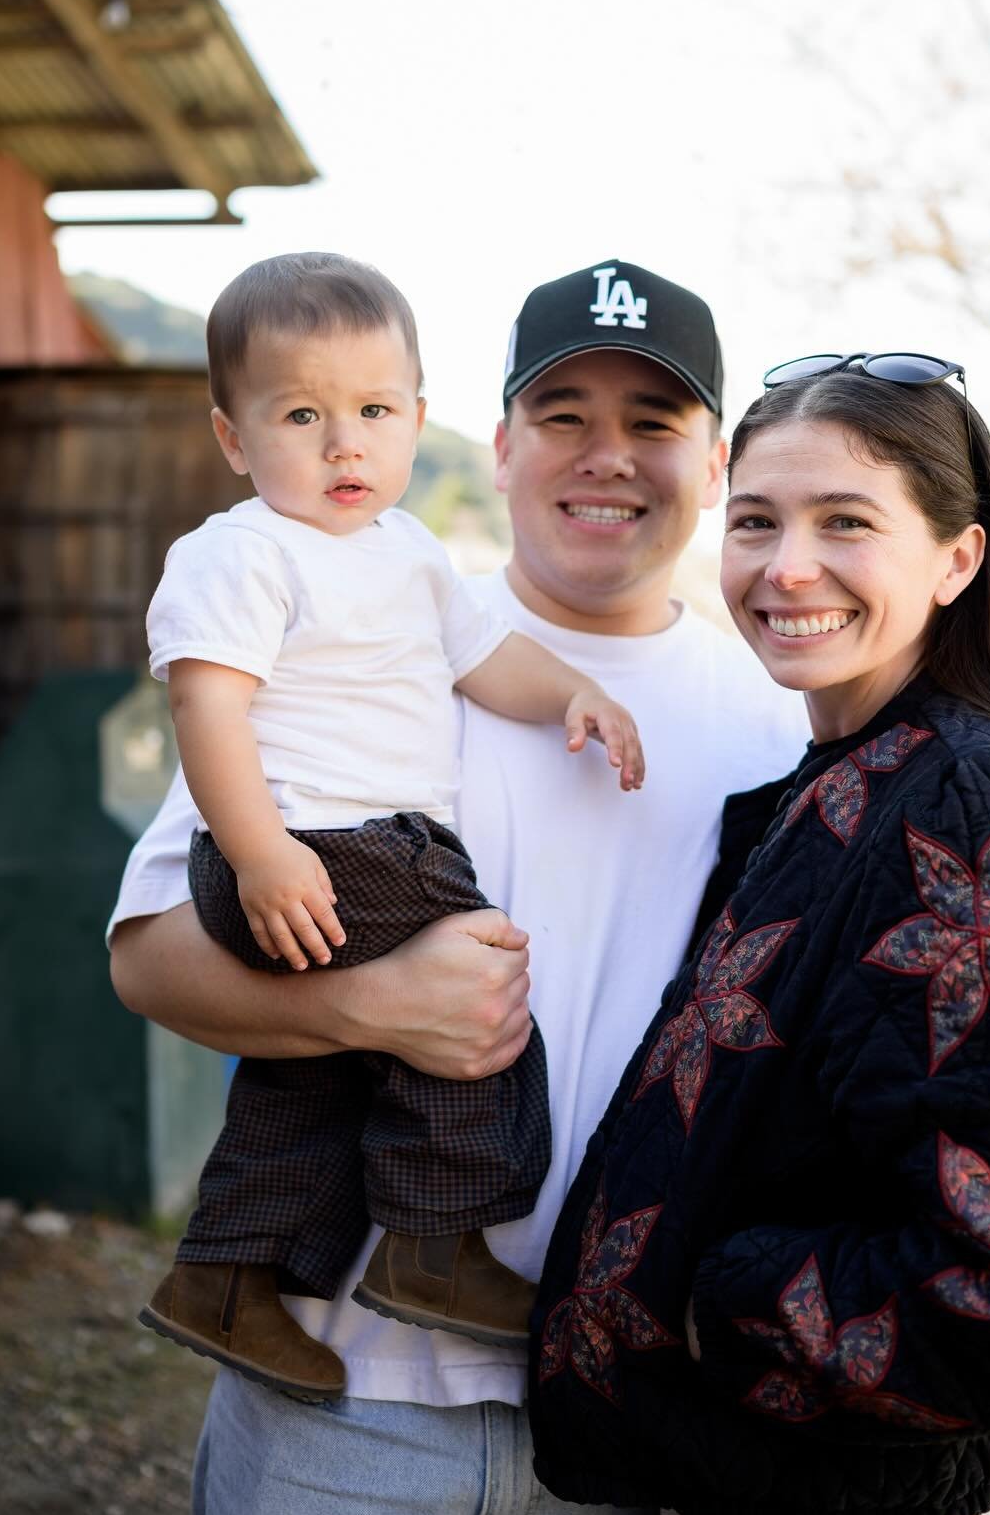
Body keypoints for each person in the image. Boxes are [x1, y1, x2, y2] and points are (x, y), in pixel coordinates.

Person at [108, 260, 812, 1515]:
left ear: (714, 464)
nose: (606, 455)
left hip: (611, 1424)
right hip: (344, 1418)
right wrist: (374, 1009)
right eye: (563, 415)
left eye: (654, 421)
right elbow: (148, 956)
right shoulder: (354, 629)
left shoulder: (774, 726)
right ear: (493, 445)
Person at [530, 354, 990, 1515]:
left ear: (957, 558)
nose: (786, 566)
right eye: (755, 520)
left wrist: (702, 1301)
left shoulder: (960, 802)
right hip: (780, 1492)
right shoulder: (846, 783)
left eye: (846, 522)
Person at [138, 252, 646, 1401]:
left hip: (339, 852)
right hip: (318, 844)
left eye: (373, 412)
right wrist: (261, 853)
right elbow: (205, 707)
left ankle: (226, 1276)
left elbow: (488, 657)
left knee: (312, 1076)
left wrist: (572, 691)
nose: (343, 446)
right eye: (301, 416)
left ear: (419, 418)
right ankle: (434, 1245)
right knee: (478, 991)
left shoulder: (410, 552)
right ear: (232, 438)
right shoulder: (242, 552)